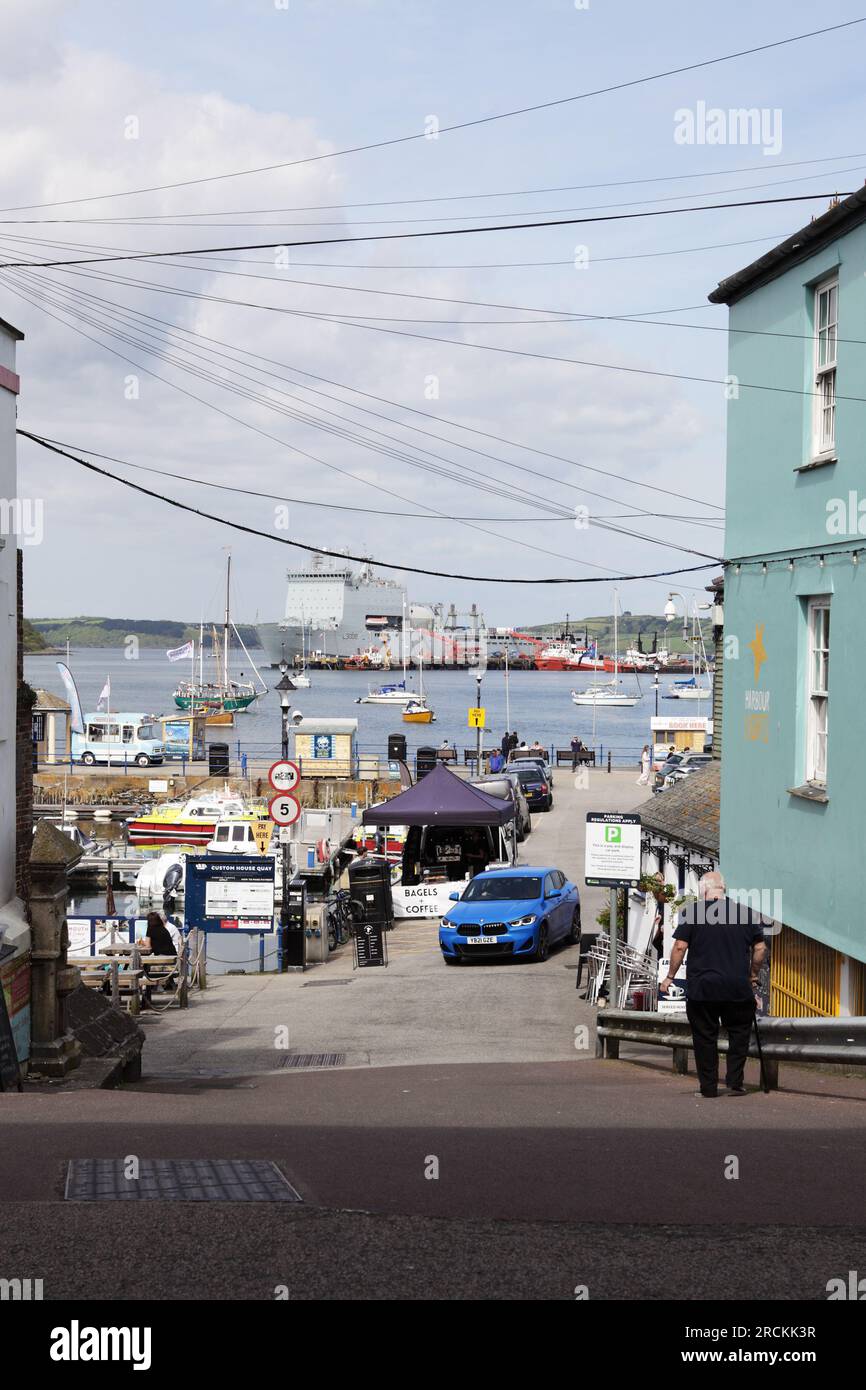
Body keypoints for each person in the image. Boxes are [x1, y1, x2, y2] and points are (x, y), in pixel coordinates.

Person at [661, 872, 767, 1099]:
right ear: (723, 889)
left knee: (705, 1038)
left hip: (703, 988)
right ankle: (735, 1084)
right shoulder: (745, 913)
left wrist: (670, 976)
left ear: (704, 889)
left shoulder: (694, 912)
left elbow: (680, 947)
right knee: (739, 1034)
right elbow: (760, 949)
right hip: (737, 987)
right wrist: (752, 975)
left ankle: (708, 1088)